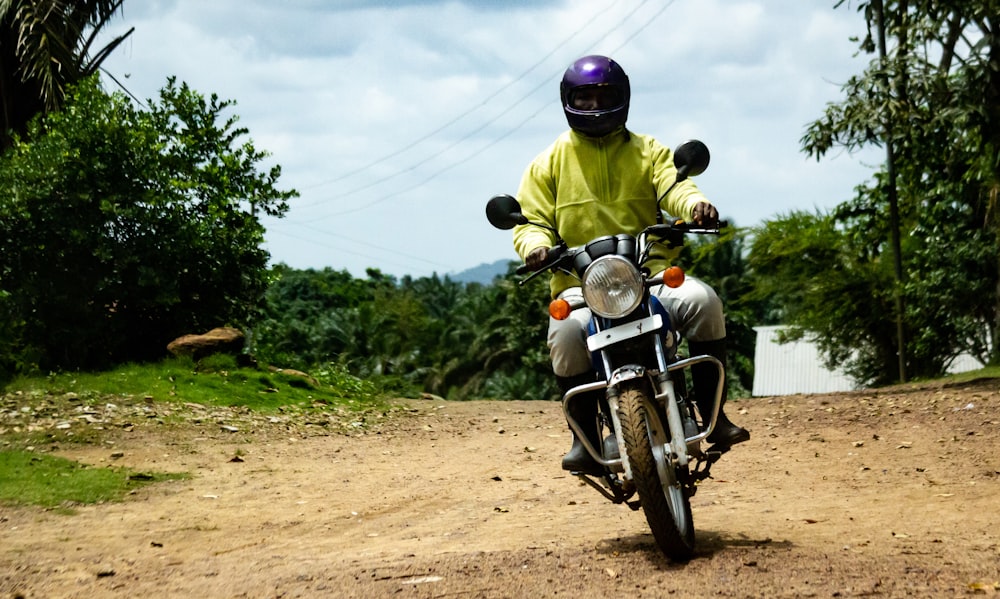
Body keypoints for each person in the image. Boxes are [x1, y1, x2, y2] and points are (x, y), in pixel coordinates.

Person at [511, 55, 749, 475]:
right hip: (580, 285)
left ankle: (716, 417)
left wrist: (695, 206)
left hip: (651, 275)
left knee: (704, 301)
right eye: (583, 98)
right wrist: (536, 246)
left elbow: (676, 187)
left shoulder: (649, 151)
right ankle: (582, 440)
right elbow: (531, 222)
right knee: (564, 333)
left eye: (604, 96)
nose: (593, 106)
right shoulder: (546, 164)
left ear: (623, 98)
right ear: (568, 101)